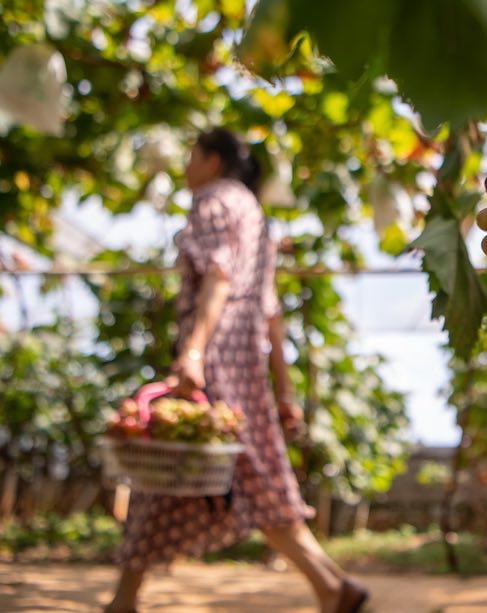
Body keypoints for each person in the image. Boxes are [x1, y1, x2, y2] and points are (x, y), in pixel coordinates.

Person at [104, 128, 368, 613]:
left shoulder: (213, 201)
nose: (185, 168)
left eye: (191, 157)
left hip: (216, 351)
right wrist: (283, 391)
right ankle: (331, 586)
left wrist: (195, 352)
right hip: (244, 355)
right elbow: (270, 312)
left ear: (212, 160)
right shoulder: (253, 212)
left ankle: (123, 600)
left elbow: (218, 277)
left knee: (169, 460)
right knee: (245, 473)